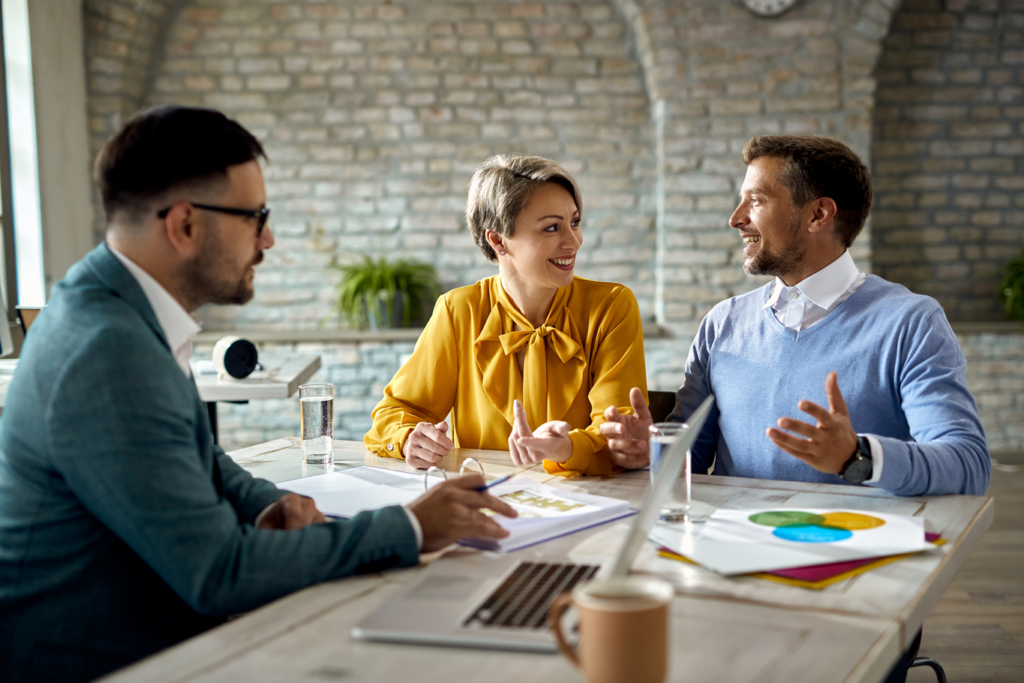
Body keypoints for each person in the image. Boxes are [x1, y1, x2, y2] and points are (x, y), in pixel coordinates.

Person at [0, 105, 516, 682]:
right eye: (255, 216)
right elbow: (220, 570)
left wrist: (270, 505)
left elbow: (198, 458)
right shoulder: (106, 351)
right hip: (103, 661)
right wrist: (412, 527)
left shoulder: (116, 308)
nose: (267, 238)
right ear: (185, 225)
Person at [602, 134, 990, 497]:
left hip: (850, 557)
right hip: (730, 551)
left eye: (755, 201)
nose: (736, 219)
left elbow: (967, 464)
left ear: (819, 214)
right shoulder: (722, 324)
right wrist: (648, 453)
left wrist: (858, 457)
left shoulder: (910, 322)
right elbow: (690, 460)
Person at [365, 155, 648, 477]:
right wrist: (408, 439)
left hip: (585, 498)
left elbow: (620, 432)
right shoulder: (458, 311)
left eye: (575, 222)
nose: (574, 241)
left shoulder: (611, 305)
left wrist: (567, 448)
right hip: (484, 503)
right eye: (552, 227)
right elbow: (395, 412)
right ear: (498, 239)